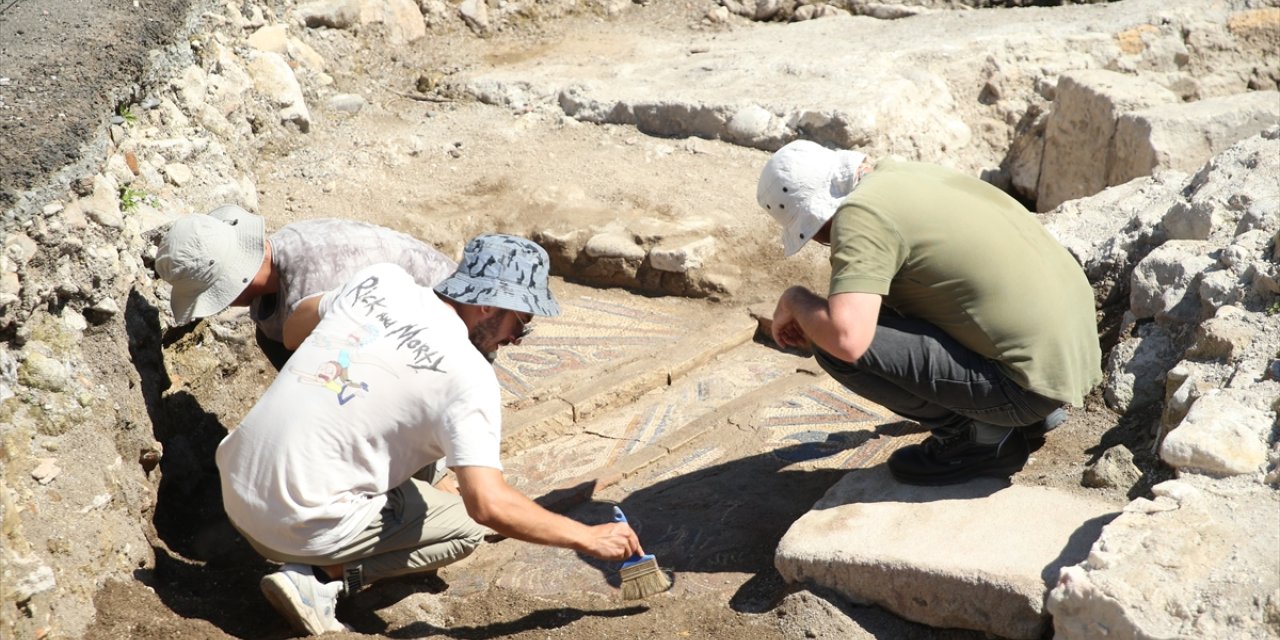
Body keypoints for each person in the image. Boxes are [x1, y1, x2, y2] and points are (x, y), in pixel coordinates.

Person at [216, 234, 643, 635]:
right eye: (521, 320)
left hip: (234, 488)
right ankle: (318, 578)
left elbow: (293, 329)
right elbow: (488, 505)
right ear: (488, 307)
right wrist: (587, 537)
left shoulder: (382, 280)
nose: (517, 338)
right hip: (288, 525)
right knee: (464, 529)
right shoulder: (469, 376)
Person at [757, 140, 1101, 486]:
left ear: (817, 219)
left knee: (832, 345)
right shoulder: (905, 175)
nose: (819, 242)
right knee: (884, 304)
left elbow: (847, 338)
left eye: (810, 233)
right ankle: (1024, 416)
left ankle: (982, 438)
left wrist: (798, 301)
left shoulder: (860, 216)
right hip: (1070, 360)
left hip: (1026, 389)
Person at [154, 204, 457, 366]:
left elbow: (367, 368)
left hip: (454, 331)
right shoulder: (284, 255)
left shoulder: (317, 276)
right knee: (273, 336)